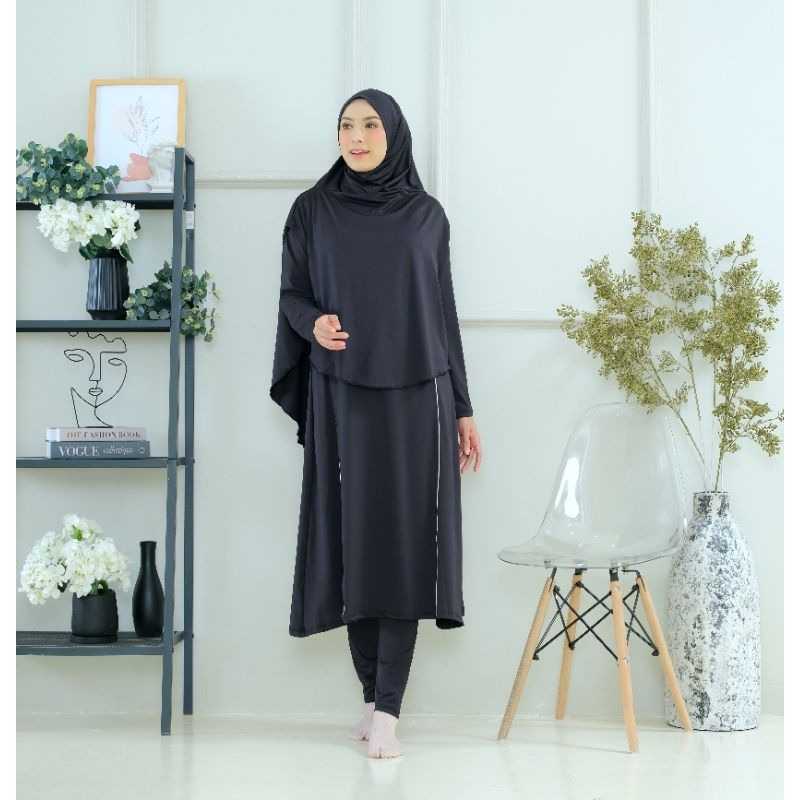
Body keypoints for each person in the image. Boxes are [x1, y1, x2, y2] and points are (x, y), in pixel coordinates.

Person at [270, 88, 482, 759]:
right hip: (340, 396)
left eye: (369, 125)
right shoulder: (311, 211)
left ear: (394, 133)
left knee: (404, 547)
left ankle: (389, 710)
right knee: (350, 545)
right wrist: (313, 323)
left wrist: (464, 406)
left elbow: (443, 315)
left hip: (418, 399)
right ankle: (371, 699)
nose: (356, 137)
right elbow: (292, 294)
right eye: (345, 126)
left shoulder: (427, 216)